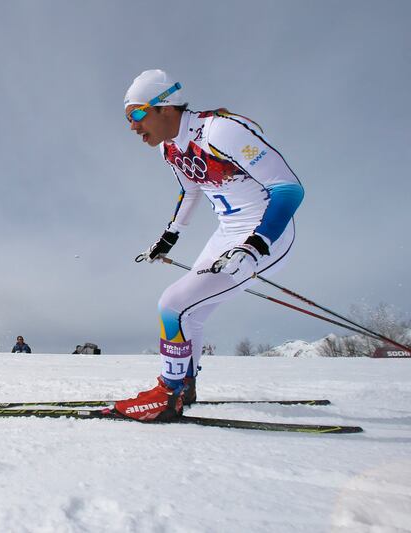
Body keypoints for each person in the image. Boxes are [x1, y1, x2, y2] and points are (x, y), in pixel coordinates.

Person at [114, 69, 304, 421]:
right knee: (191, 313)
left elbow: (289, 189)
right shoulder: (169, 149)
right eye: (128, 118)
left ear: (165, 107)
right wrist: (169, 237)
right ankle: (184, 386)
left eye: (138, 114)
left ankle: (167, 392)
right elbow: (191, 190)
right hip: (227, 233)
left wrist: (255, 247)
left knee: (171, 305)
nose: (133, 126)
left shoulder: (222, 132)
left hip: (265, 232)